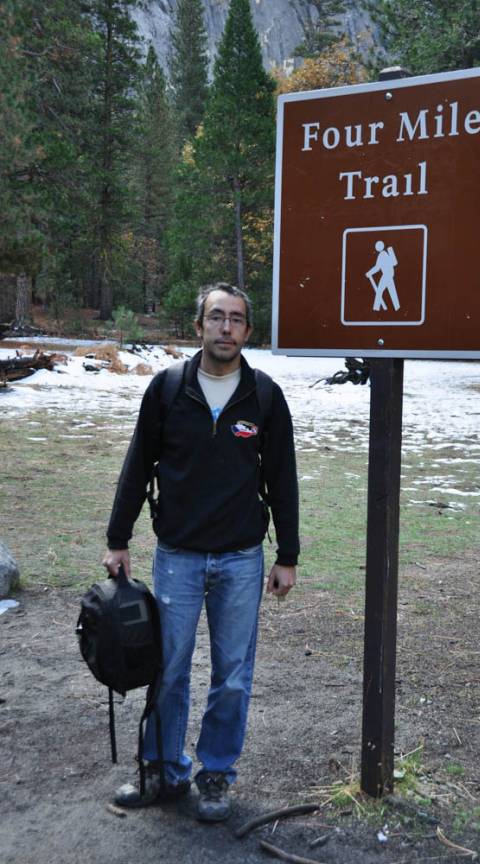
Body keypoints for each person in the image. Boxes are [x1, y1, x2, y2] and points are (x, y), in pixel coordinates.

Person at [102, 283, 299, 821]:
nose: (225, 327)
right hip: (178, 558)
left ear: (248, 331)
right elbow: (137, 465)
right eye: (216, 317)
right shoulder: (168, 389)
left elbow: (282, 479)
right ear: (199, 326)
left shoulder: (263, 396)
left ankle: (215, 774)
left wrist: (287, 554)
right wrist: (118, 539)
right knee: (168, 670)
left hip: (241, 559)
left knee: (232, 676)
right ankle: (164, 771)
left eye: (236, 318)